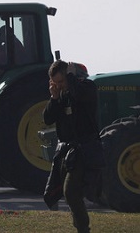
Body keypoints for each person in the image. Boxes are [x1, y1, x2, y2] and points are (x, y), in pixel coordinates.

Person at [43, 60, 104, 233]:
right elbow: (47, 118)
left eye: (61, 82)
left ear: (69, 77)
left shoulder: (87, 87)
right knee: (68, 193)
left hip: (83, 150)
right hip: (66, 152)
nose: (59, 86)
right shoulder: (61, 95)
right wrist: (54, 98)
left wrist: (70, 77)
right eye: (56, 83)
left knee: (70, 191)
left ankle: (83, 229)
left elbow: (79, 96)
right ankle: (80, 226)